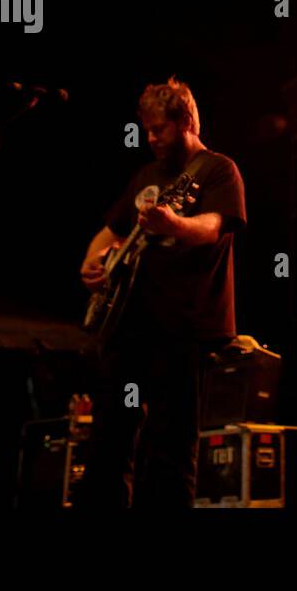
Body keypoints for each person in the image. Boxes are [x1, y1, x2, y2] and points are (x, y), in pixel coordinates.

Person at [79, 78, 246, 507]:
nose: (150, 139)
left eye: (159, 130)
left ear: (186, 121)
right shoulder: (147, 175)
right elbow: (110, 231)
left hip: (182, 327)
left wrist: (174, 225)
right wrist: (92, 262)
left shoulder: (217, 169)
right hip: (129, 325)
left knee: (169, 448)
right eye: (147, 130)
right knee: (107, 441)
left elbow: (212, 227)